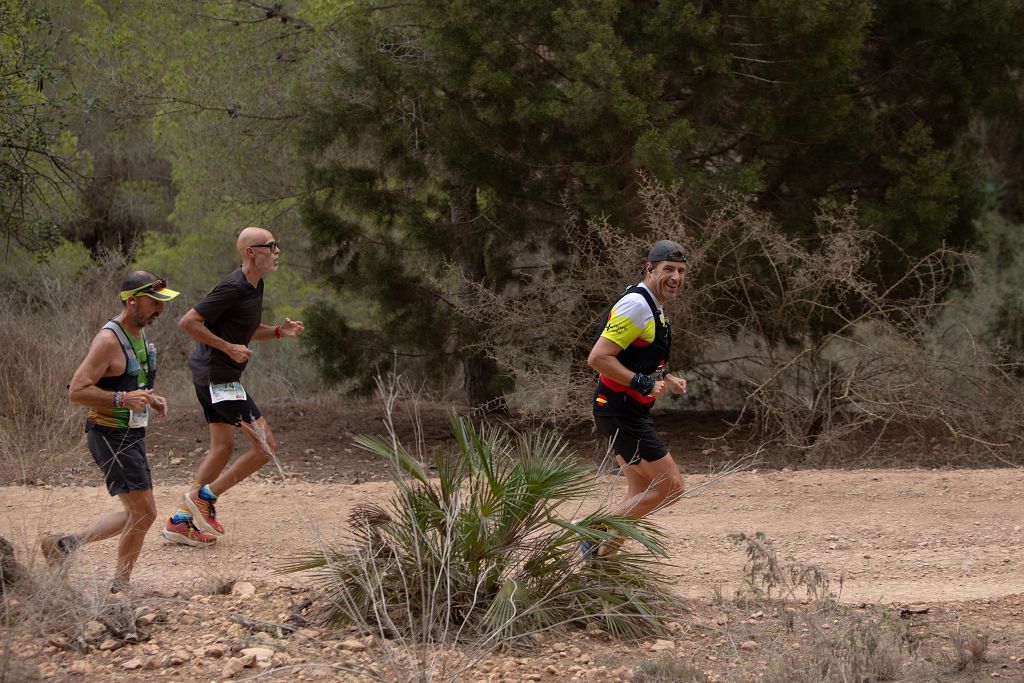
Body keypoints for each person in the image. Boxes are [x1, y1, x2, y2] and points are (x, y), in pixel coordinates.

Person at [41, 271, 196, 593]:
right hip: (109, 435)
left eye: (162, 302)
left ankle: (64, 545)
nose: (161, 309)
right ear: (132, 301)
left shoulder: (137, 335)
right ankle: (120, 587)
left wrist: (149, 397)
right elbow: (76, 391)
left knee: (137, 512)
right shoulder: (108, 341)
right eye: (154, 302)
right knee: (145, 513)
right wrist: (122, 399)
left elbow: (126, 382)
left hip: (130, 434)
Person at [162, 226, 304, 545]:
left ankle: (181, 520)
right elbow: (188, 322)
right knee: (266, 446)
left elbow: (245, 328)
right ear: (251, 252)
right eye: (271, 246)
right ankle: (205, 497)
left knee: (222, 448)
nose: (277, 251)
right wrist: (228, 348)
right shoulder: (233, 286)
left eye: (277, 245)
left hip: (215, 375)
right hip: (218, 376)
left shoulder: (255, 285)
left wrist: (278, 332)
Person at [584, 240, 689, 558]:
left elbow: (636, 355)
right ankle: (589, 532)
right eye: (668, 269)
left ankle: (602, 561)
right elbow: (598, 358)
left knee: (640, 491)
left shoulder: (653, 305)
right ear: (650, 269)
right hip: (621, 412)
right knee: (671, 488)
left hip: (623, 411)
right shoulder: (637, 305)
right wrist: (642, 383)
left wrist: (665, 377)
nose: (675, 277)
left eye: (681, 271)